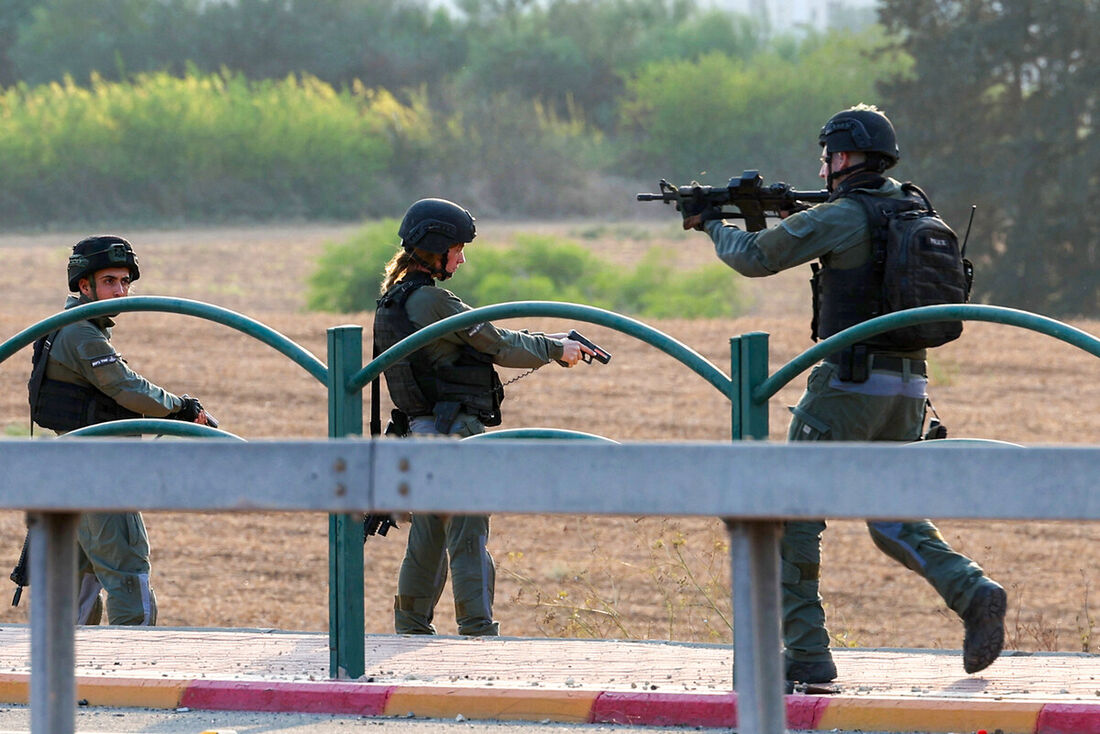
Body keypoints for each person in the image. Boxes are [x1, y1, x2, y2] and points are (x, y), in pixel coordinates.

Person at [682, 105, 1007, 684]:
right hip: (909, 387)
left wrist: (711, 222)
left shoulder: (844, 214)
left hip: (848, 384)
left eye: (829, 156)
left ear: (846, 157)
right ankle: (972, 590)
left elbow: (755, 258)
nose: (826, 166)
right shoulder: (913, 205)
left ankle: (806, 652)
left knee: (792, 514)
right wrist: (787, 213)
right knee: (892, 518)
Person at [374, 198, 594, 636]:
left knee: (428, 535)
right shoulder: (434, 301)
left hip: (419, 435)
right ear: (434, 247)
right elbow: (497, 344)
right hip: (456, 435)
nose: (461, 258)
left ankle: (411, 625)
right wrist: (555, 350)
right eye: (456, 248)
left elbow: (485, 337)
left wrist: (547, 341)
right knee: (469, 534)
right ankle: (478, 631)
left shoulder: (394, 301)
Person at [29, 234, 212, 626]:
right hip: (101, 469)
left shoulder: (72, 327)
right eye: (111, 281)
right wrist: (181, 407)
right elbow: (127, 387)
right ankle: (130, 672)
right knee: (128, 572)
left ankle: (65, 675)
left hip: (75, 466)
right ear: (84, 285)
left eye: (125, 281)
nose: (122, 290)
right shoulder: (80, 332)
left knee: (82, 578)